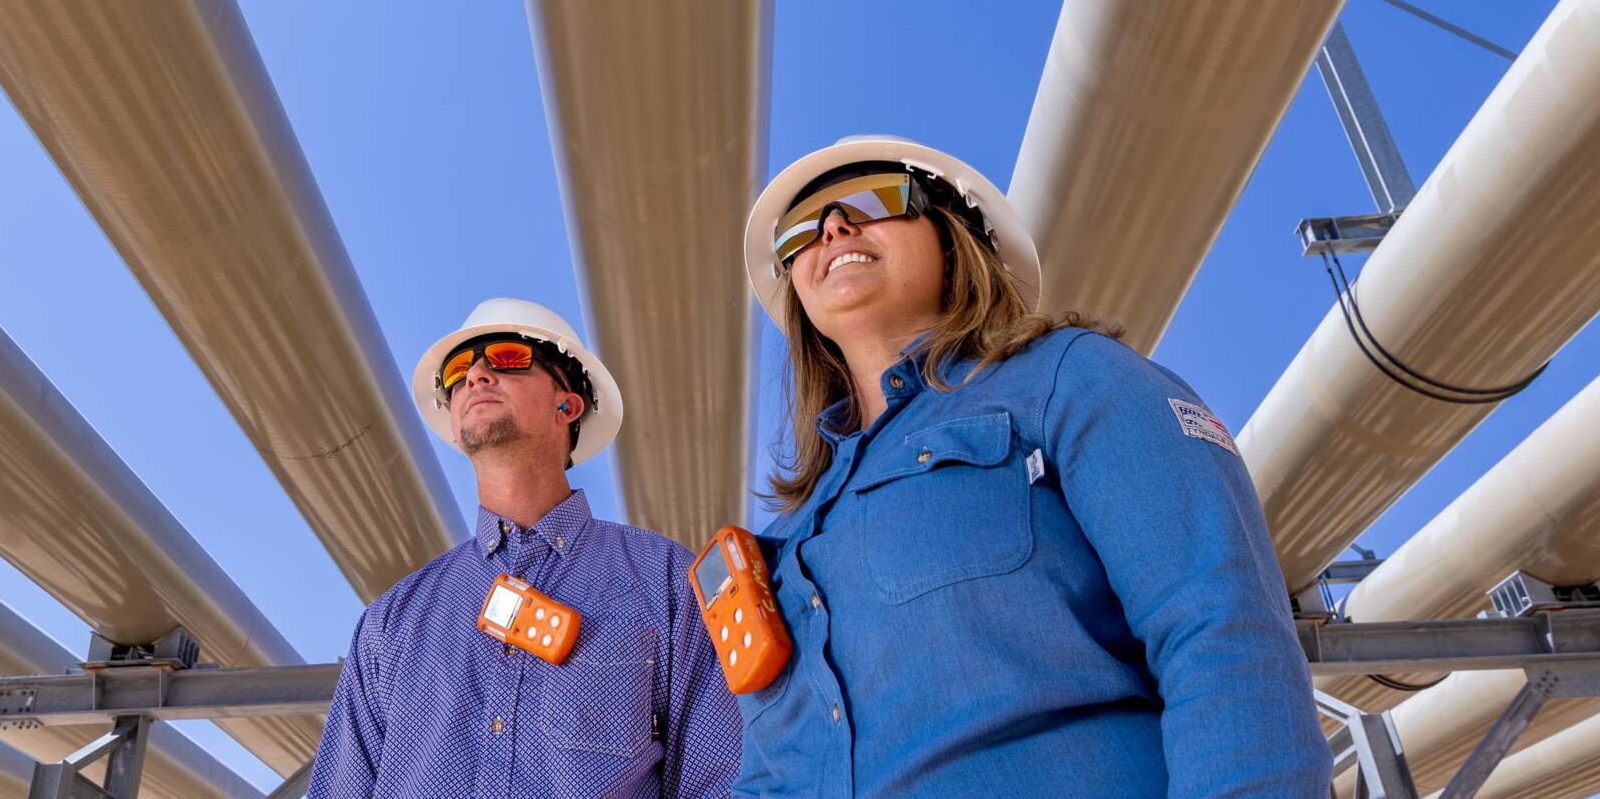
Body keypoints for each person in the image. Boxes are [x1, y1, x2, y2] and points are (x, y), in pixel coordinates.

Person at [729, 136, 1329, 797]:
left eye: (875, 198)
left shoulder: (1070, 379)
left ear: (954, 234)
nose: (836, 226)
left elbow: (1221, 631)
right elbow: (770, 775)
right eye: (803, 229)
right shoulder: (793, 538)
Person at [311, 298, 742, 798]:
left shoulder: (667, 583)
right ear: (453, 422)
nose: (474, 375)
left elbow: (717, 783)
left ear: (568, 404)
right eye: (458, 372)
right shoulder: (391, 624)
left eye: (507, 358)